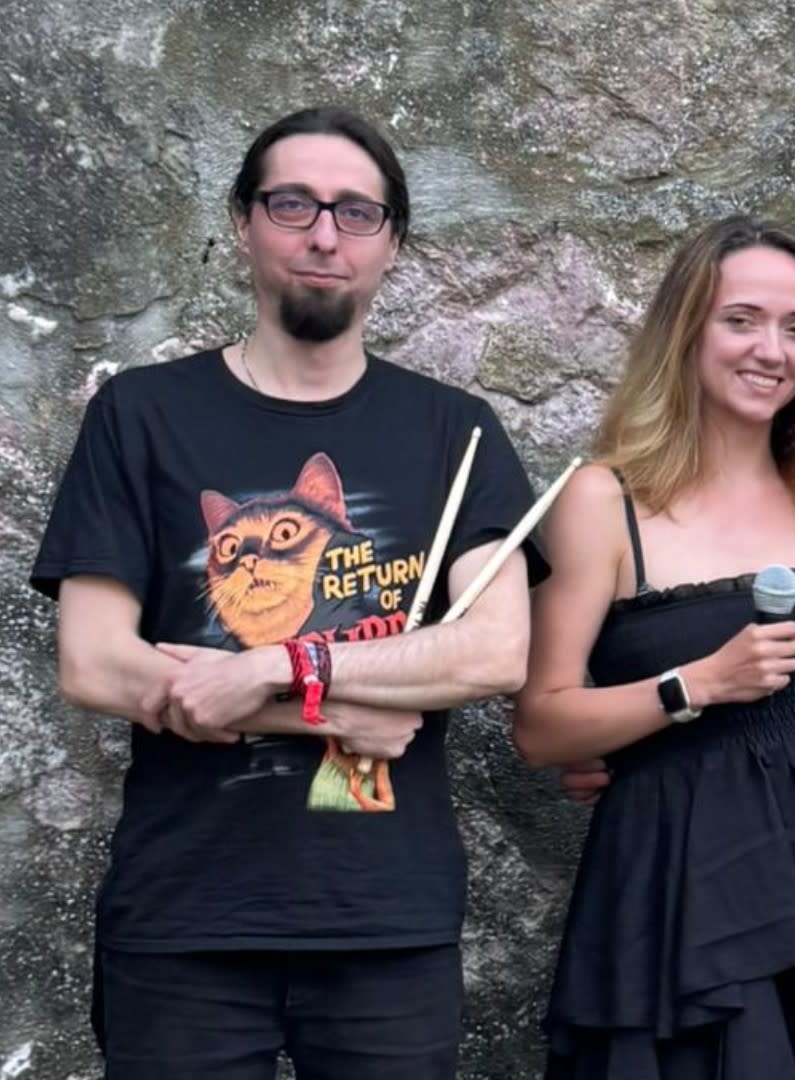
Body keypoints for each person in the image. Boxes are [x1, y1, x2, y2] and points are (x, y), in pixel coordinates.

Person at [31, 106, 546, 1079]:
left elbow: (494, 650)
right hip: (184, 919)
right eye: (292, 204)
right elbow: (94, 663)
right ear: (243, 224)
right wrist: (327, 709)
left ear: (392, 244)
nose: (323, 235)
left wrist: (273, 665)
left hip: (385, 923)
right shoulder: (141, 414)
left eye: (357, 212)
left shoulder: (456, 430)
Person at [513, 215, 795, 1079]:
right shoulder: (603, 498)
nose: (771, 351)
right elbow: (541, 725)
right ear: (686, 330)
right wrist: (693, 685)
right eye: (741, 320)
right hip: (677, 878)